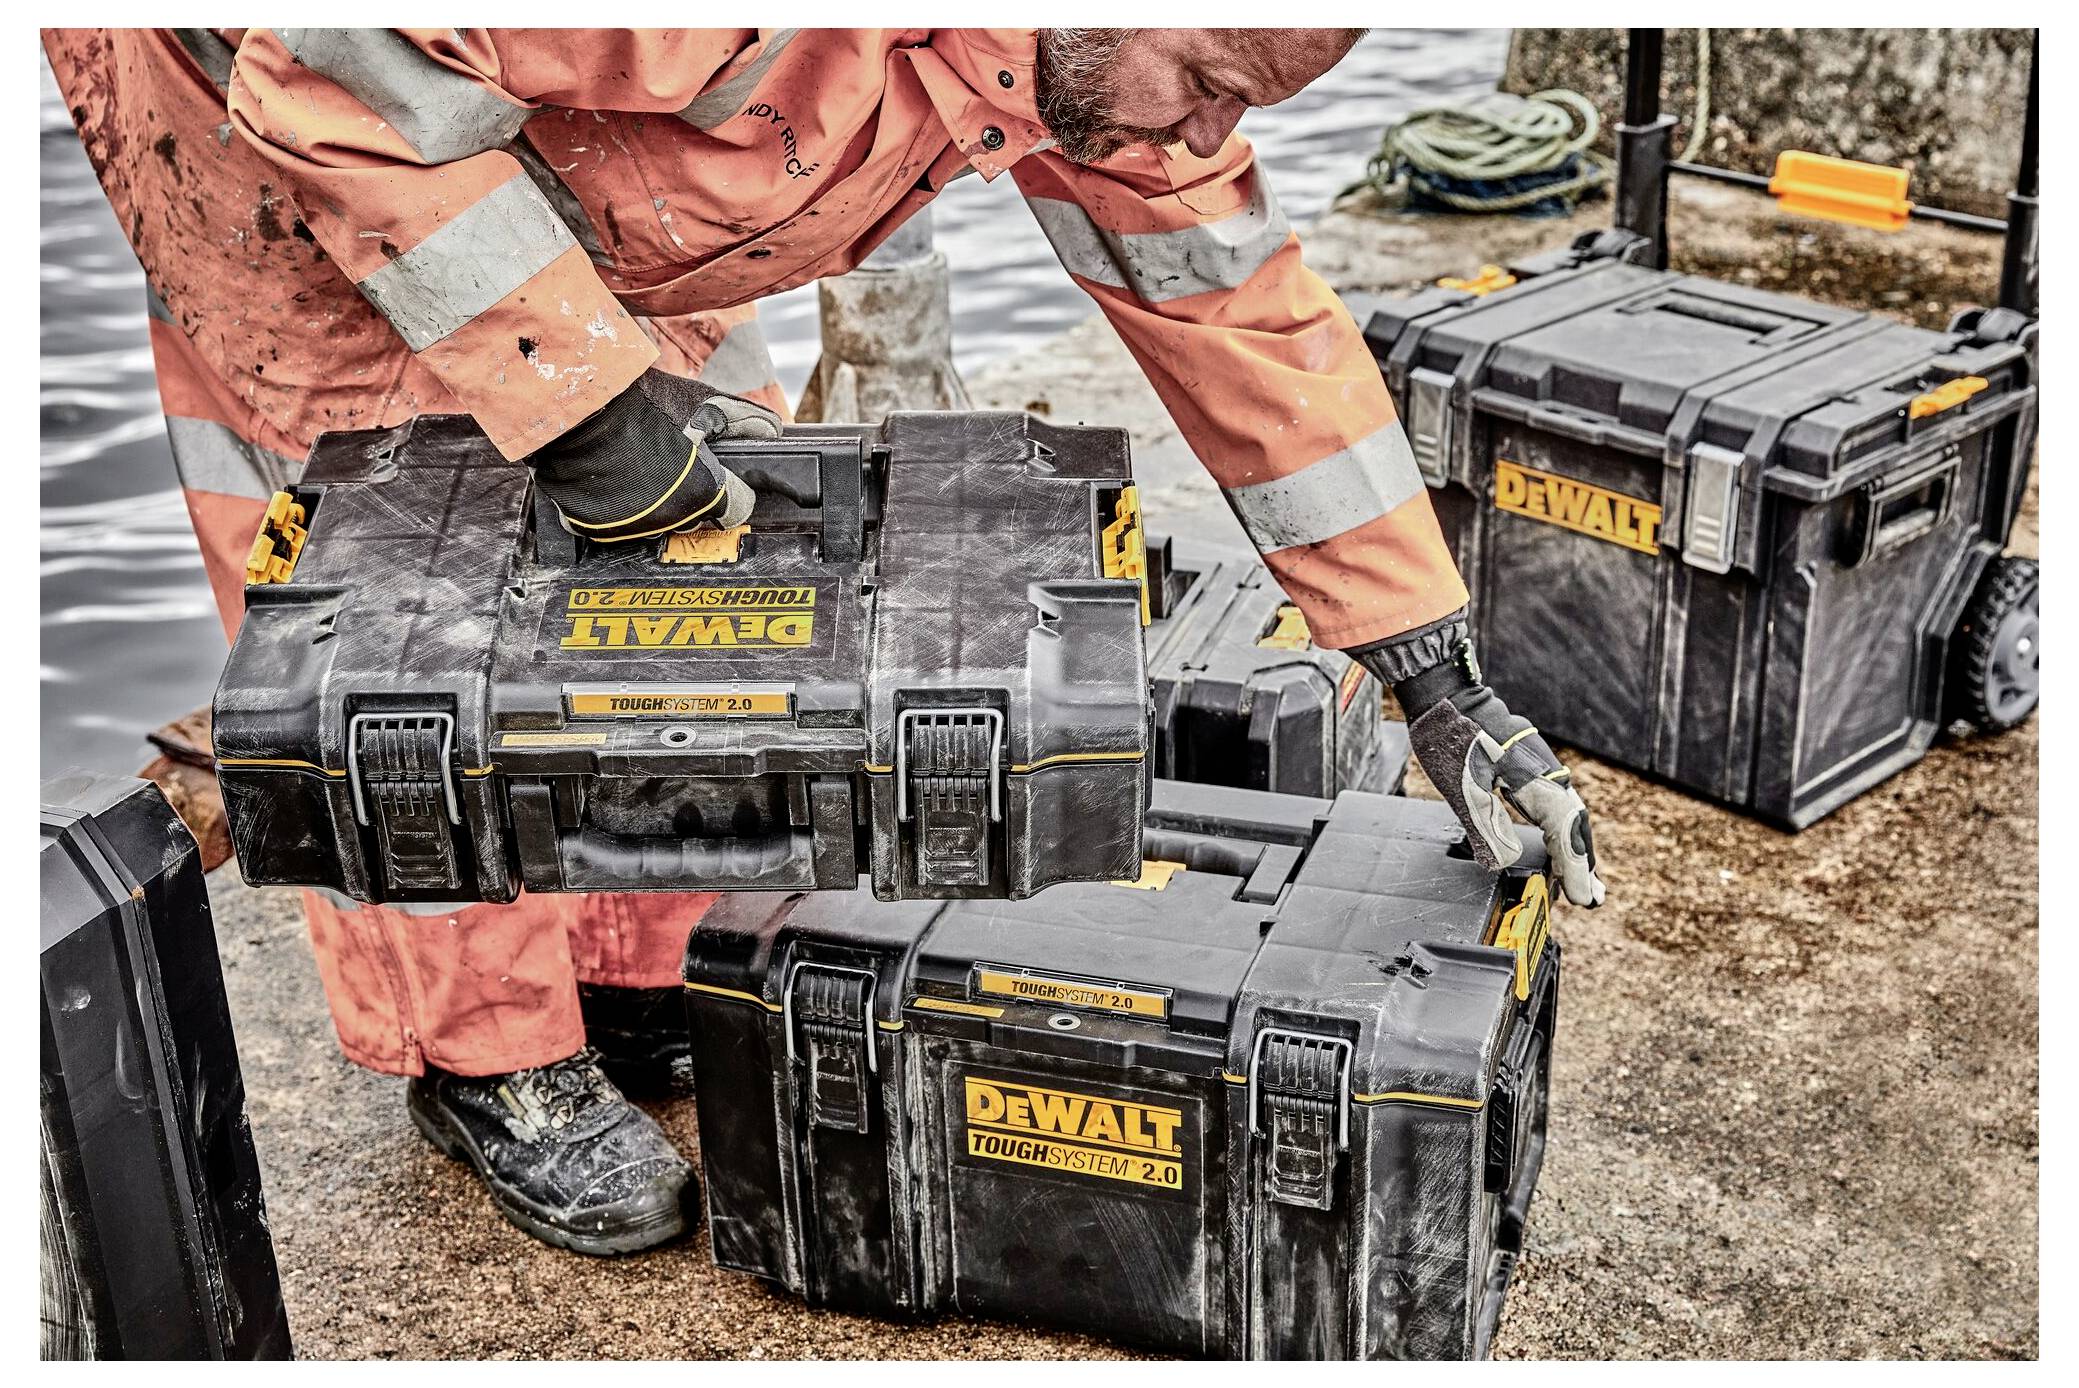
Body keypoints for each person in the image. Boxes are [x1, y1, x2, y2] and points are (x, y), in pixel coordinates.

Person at [45, 26, 1603, 1258]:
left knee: (706, 553)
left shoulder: (1098, 69)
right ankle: (484, 1057)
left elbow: (1244, 322)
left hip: (610, 162)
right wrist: (584, 412)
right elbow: (335, 62)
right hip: (287, 139)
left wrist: (1434, 679)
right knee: (405, 599)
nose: (1204, 132)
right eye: (1205, 82)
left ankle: (634, 965)